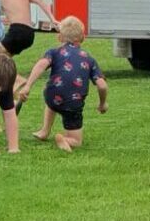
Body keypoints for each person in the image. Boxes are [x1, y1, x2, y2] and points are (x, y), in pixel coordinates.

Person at [23, 17, 109, 151]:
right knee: (77, 140)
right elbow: (102, 85)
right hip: (72, 104)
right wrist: (102, 103)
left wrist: (28, 86)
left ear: (59, 37)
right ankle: (66, 139)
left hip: (52, 96)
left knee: (53, 95)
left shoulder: (54, 52)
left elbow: (41, 65)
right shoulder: (89, 59)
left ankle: (44, 131)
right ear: (83, 38)